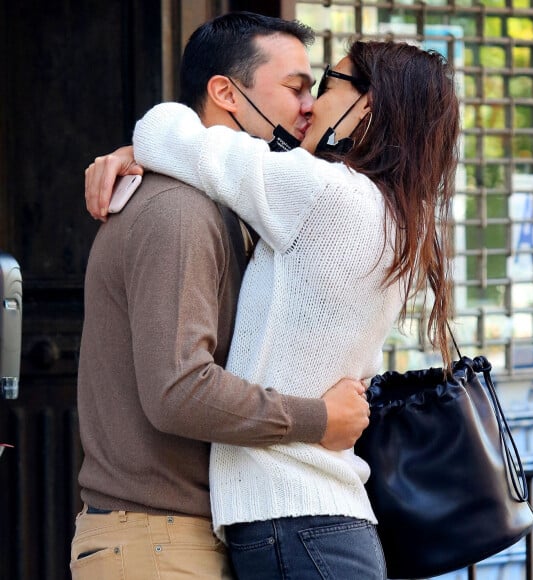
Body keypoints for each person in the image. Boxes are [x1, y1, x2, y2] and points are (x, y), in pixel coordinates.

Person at [96, 39, 461, 579]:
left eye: (328, 85)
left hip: (295, 522)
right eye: (300, 88)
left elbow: (161, 130)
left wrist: (136, 150)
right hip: (323, 523)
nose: (311, 104)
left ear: (369, 105)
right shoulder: (393, 213)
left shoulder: (323, 196)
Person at [71, 12, 372, 580]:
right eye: (296, 87)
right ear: (225, 93)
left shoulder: (232, 207)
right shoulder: (180, 212)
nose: (309, 105)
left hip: (182, 536)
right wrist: (318, 418)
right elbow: (178, 390)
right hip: (157, 543)